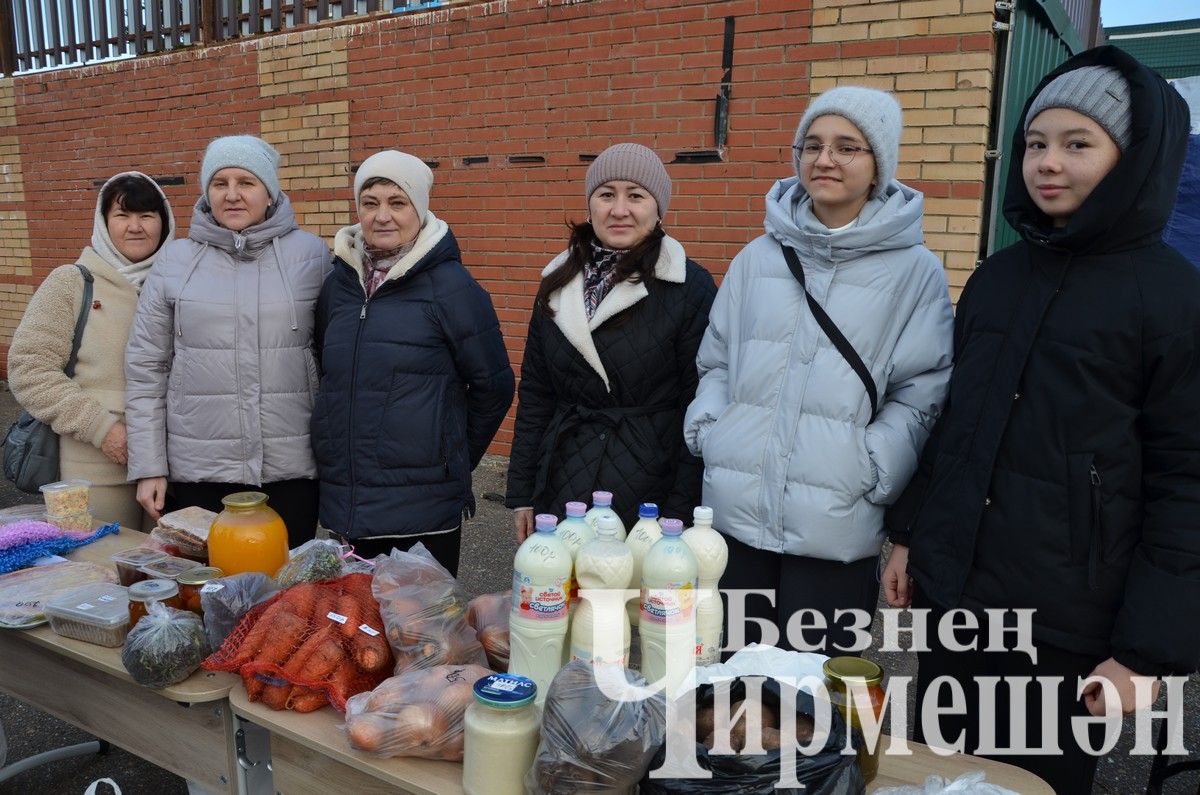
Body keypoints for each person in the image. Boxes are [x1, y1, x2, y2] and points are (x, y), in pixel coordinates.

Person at [881, 47, 1200, 792]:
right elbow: (955, 423)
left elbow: (1188, 485)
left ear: (1133, 157)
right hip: (958, 600)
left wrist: (1145, 653)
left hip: (1066, 622)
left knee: (1029, 781)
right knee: (938, 773)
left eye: (1077, 144)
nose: (1047, 163)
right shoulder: (999, 274)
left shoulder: (1173, 300)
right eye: (1035, 143)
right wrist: (908, 533)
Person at [684, 87, 954, 654]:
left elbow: (922, 391)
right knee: (731, 692)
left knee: (813, 709)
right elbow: (717, 361)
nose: (824, 159)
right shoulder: (758, 257)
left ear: (879, 162)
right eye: (813, 145)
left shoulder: (916, 271)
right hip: (737, 514)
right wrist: (713, 432)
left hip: (838, 525)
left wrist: (871, 466)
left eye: (847, 147)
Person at [311, 150, 514, 574]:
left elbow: (494, 387)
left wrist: (450, 457)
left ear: (418, 209)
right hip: (349, 504)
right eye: (370, 203)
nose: (382, 216)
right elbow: (328, 371)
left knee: (421, 634)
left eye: (397, 202)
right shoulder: (339, 286)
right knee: (355, 631)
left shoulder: (452, 288)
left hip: (423, 509)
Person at [125, 135, 329, 547]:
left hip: (291, 469)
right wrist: (149, 465)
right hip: (199, 469)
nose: (232, 195)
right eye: (220, 183)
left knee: (284, 597)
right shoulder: (176, 260)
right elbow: (147, 366)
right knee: (203, 595)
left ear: (269, 192)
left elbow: (334, 359)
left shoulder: (312, 256)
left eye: (246, 182)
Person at [506, 143, 716, 538]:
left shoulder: (689, 287)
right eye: (606, 195)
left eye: (636, 195)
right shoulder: (556, 283)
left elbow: (700, 406)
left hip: (649, 486)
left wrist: (681, 511)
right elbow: (536, 393)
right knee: (557, 592)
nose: (619, 210)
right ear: (590, 207)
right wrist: (522, 493)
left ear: (658, 210)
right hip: (563, 476)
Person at [8, 173, 175, 530]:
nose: (135, 227)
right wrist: (103, 430)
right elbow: (29, 369)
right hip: (96, 468)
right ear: (103, 222)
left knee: (174, 574)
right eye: (122, 215)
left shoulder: (182, 282)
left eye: (147, 215)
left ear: (164, 221)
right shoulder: (71, 282)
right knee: (103, 571)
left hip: (177, 463)